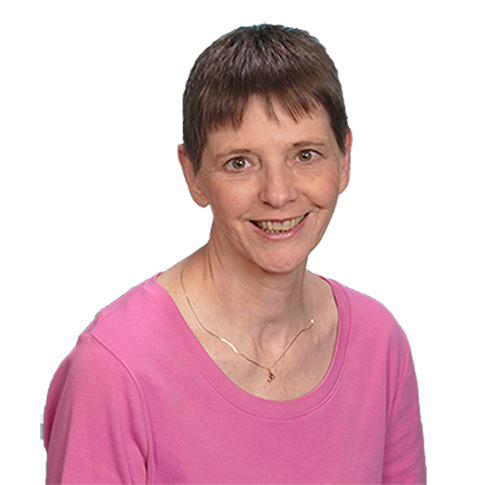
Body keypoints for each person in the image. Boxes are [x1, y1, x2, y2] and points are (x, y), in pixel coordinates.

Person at [44, 25, 426, 484]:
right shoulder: (115, 367)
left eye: (306, 155)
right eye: (239, 163)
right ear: (194, 175)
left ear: (344, 159)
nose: (278, 194)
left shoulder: (379, 344)